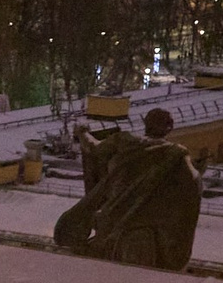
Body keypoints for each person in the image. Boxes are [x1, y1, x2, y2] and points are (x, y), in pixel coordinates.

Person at [54, 107, 201, 270]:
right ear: (169, 128)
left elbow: (94, 148)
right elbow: (192, 185)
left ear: (146, 124)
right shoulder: (176, 155)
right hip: (145, 229)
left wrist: (83, 133)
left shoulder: (123, 141)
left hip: (112, 220)